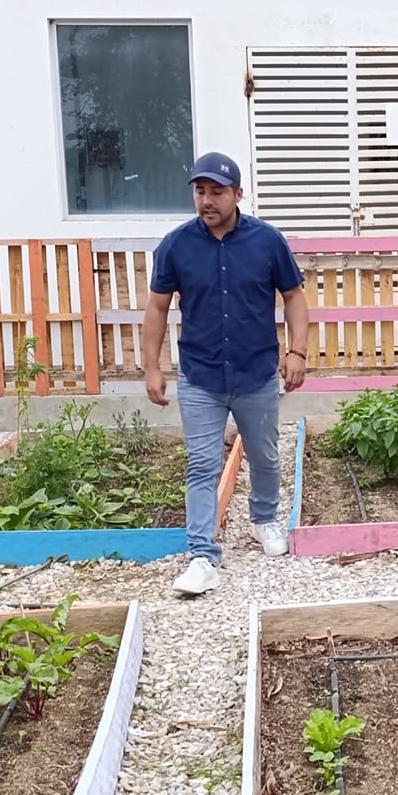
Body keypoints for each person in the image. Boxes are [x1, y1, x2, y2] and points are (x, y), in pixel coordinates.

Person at [145, 151, 310, 595]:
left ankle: (263, 519)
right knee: (202, 464)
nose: (207, 200)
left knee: (265, 456)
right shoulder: (176, 245)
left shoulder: (267, 241)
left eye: (217, 191)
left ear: (238, 194)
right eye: (200, 191)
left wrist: (297, 351)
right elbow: (157, 308)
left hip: (257, 373)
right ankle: (202, 555)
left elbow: (293, 296)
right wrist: (152, 367)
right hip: (200, 376)